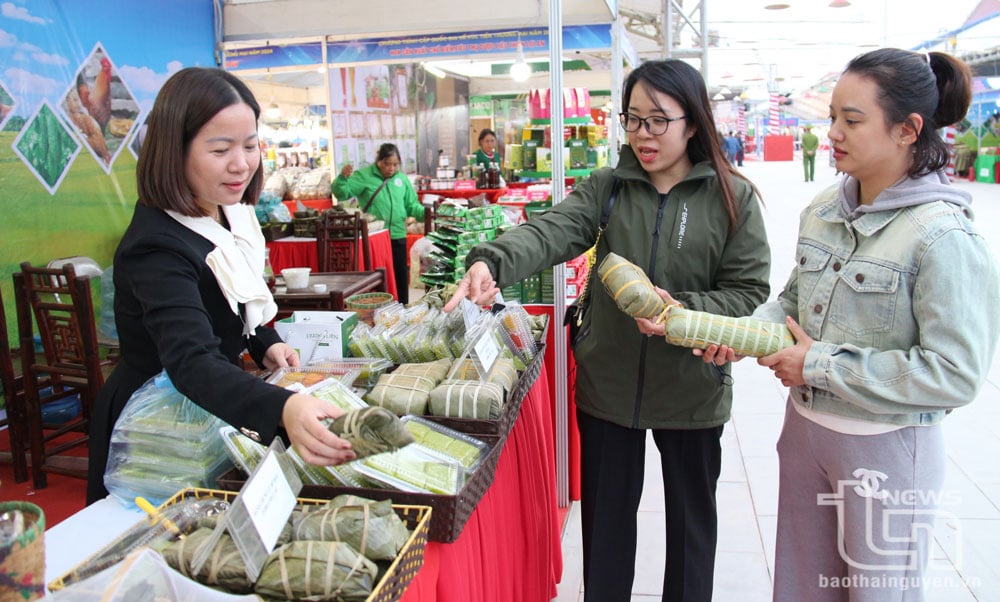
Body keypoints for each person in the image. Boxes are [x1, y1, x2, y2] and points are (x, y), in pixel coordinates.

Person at [444, 59, 771, 601]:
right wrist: (493, 262)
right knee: (606, 532)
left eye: (658, 120)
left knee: (692, 533)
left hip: (692, 388)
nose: (644, 134)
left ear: (693, 122)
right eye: (634, 119)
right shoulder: (608, 187)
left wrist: (679, 311)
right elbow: (554, 230)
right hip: (609, 384)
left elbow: (747, 292)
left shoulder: (733, 198)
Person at [697, 49, 1000, 601]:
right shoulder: (823, 211)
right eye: (832, 116)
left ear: (908, 130)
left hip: (885, 450)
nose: (832, 132)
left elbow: (955, 374)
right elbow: (791, 304)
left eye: (852, 120)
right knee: (803, 588)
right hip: (807, 432)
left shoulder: (943, 237)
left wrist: (816, 363)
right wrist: (736, 335)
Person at [86, 67, 355, 504]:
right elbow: (191, 360)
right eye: (220, 149)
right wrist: (281, 408)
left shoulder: (229, 212)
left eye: (250, 145)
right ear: (175, 151)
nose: (242, 164)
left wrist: (263, 340)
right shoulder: (156, 245)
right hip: (157, 422)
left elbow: (238, 298)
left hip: (210, 403)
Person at [332, 143, 425, 304]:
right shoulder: (364, 176)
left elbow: (411, 205)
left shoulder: (401, 179)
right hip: (374, 239)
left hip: (397, 234)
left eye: (395, 164)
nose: (391, 168)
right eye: (387, 164)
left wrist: (426, 214)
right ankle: (377, 310)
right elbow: (342, 193)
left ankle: (402, 310)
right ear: (379, 161)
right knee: (378, 278)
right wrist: (342, 178)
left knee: (400, 276)